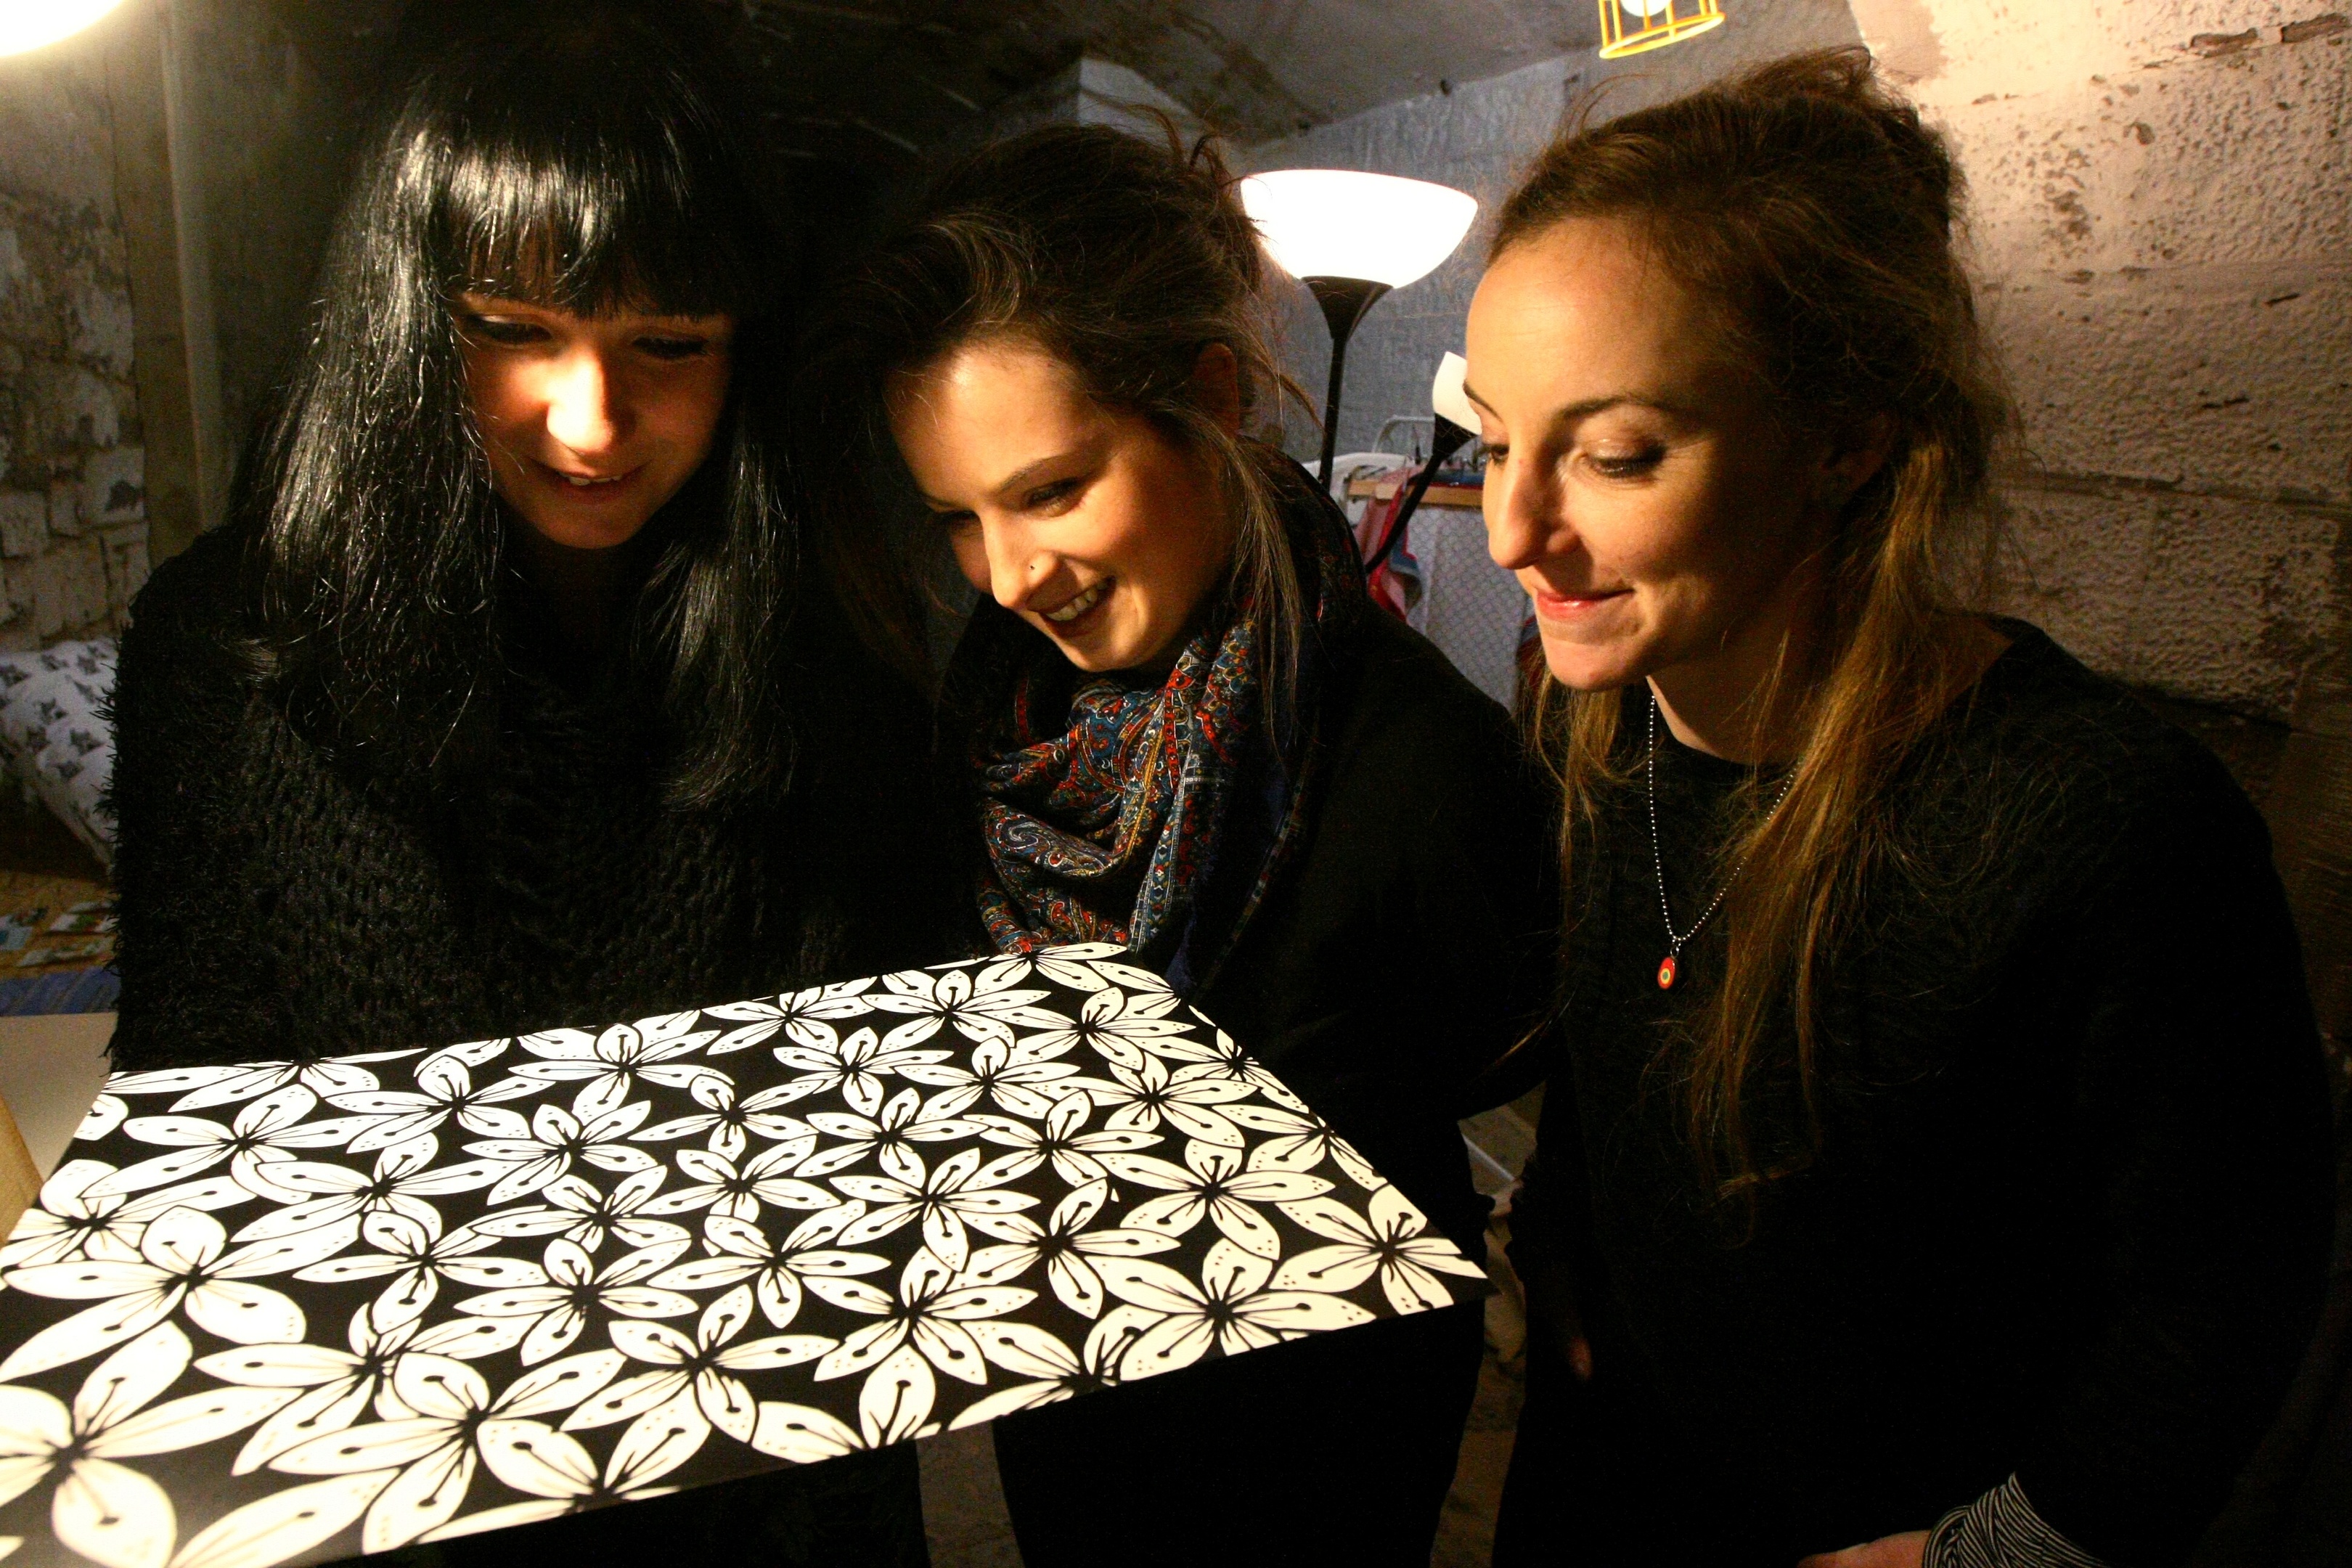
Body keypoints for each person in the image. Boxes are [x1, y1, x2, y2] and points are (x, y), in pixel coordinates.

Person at [1467, 49, 2336, 1568]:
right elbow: (1626, 1052)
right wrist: (1563, 1244)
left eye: (1616, 454)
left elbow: (2225, 1283)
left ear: (1848, 438)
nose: (1514, 532)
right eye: (1491, 437)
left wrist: (2008, 1549)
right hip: (1608, 1478)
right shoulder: (1595, 709)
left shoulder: (2099, 822)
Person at [107, 5, 950, 1562]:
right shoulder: (227, 649)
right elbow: (193, 1110)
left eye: (669, 346)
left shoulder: (834, 654)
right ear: (411, 322)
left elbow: (873, 1134)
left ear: (746, 348)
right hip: (395, 1485)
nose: (593, 421)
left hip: (759, 1474)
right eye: (514, 329)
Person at [801, 123, 1559, 1566]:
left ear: (1209, 397)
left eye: (1051, 490)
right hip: (1062, 1382)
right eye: (959, 519)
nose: (1012, 576)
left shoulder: (1412, 763)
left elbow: (1496, 1043)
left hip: (1316, 1440)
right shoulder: (986, 728)